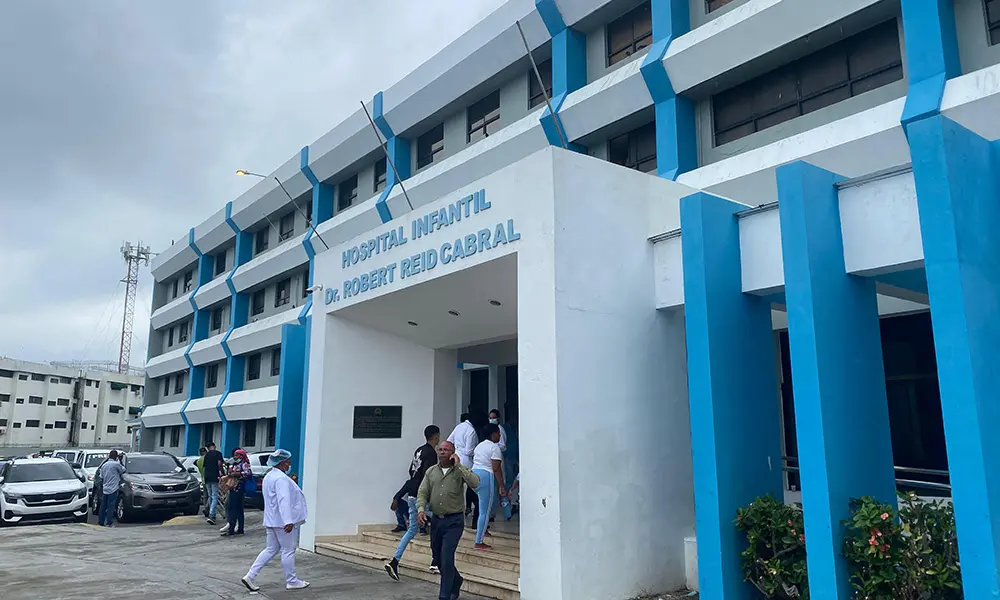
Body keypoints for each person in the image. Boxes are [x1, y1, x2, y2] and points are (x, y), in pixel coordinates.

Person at [417, 441, 480, 600]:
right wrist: (421, 510)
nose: (442, 452)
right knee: (437, 557)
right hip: (437, 520)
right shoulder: (431, 471)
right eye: (440, 449)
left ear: (453, 452)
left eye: (446, 450)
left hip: (454, 521)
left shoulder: (459, 471)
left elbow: (475, 482)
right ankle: (456, 580)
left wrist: (459, 465)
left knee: (446, 557)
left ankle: (444, 596)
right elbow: (423, 492)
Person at [242, 449, 310, 592]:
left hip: (272, 520)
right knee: (288, 550)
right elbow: (283, 500)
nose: (290, 464)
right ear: (282, 463)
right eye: (288, 462)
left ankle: (250, 576)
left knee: (271, 549)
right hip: (282, 522)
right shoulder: (281, 479)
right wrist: (288, 521)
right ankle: (292, 581)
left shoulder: (269, 476)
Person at [384, 425, 440, 581]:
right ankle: (435, 561)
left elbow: (412, 472)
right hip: (423, 495)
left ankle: (395, 561)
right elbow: (429, 476)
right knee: (437, 522)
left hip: (412, 494)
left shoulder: (419, 450)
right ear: (436, 436)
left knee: (412, 530)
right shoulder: (431, 453)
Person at [471, 424, 506, 549]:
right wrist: (502, 486)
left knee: (484, 506)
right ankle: (479, 541)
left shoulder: (479, 446)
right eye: (498, 433)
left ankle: (483, 528)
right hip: (487, 476)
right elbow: (496, 469)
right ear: (493, 434)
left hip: (474, 475)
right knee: (485, 511)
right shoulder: (494, 448)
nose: (499, 435)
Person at [447, 414, 478, 518]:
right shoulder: (471, 431)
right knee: (471, 485)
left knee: (458, 486)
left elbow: (449, 441)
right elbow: (469, 451)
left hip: (456, 459)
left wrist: (457, 450)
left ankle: (462, 508)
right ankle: (470, 507)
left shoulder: (458, 427)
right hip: (467, 461)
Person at [222, 448, 252, 537]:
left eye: (237, 455)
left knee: (235, 508)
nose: (235, 457)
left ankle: (233, 529)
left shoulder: (244, 464)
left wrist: (236, 474)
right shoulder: (234, 464)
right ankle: (238, 529)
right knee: (235, 508)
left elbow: (248, 473)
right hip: (233, 487)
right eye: (234, 455)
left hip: (239, 488)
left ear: (241, 456)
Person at [97, 450, 127, 527]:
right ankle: (109, 523)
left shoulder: (104, 465)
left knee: (103, 506)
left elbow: (101, 477)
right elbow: (123, 470)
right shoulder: (116, 465)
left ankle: (101, 522)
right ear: (116, 456)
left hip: (105, 488)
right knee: (111, 506)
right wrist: (120, 460)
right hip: (113, 488)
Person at [202, 441, 224, 525]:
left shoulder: (206, 455)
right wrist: (222, 473)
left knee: (210, 496)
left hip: (207, 477)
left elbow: (205, 466)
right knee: (215, 496)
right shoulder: (218, 453)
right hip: (215, 476)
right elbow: (219, 464)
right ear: (214, 446)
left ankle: (212, 515)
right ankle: (211, 515)